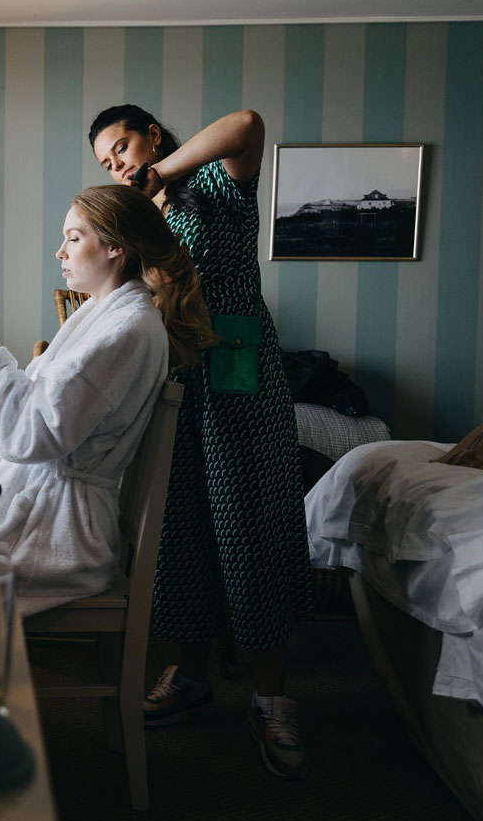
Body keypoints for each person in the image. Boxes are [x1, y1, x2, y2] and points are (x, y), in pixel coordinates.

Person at [89, 104, 314, 780]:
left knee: (253, 529)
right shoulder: (142, 221)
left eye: (122, 146)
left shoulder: (214, 186)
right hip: (175, 381)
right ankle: (188, 678)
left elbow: (246, 123)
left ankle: (272, 698)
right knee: (176, 531)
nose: (119, 164)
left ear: (152, 135)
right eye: (106, 162)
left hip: (240, 378)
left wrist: (160, 172)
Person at [0, 186, 213, 615]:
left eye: (73, 237)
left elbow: (35, 434)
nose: (59, 252)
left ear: (115, 247)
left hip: (59, 531)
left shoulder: (127, 329)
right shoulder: (104, 313)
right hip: (45, 500)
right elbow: (39, 410)